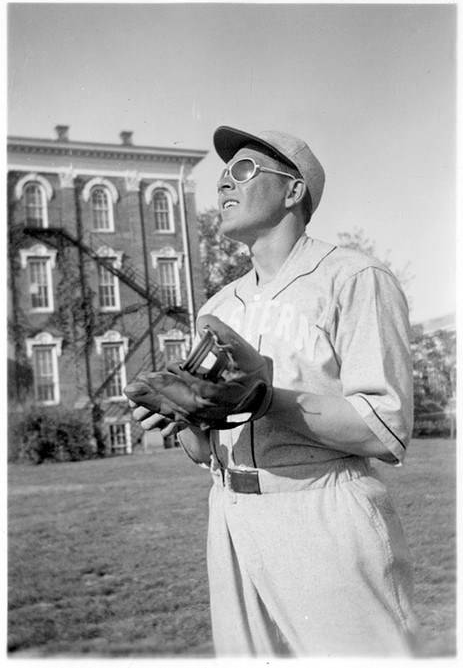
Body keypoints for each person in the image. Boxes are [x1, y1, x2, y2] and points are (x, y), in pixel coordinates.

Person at [127, 125, 421, 657]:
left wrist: (265, 400)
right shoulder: (219, 305)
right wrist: (185, 418)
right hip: (232, 514)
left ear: (292, 191)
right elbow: (205, 451)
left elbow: (387, 428)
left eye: (243, 170)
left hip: (321, 508)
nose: (223, 184)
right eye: (222, 176)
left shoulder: (354, 279)